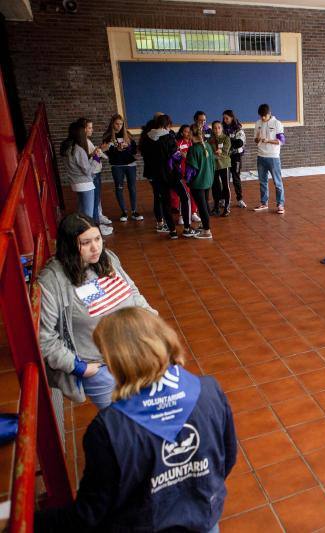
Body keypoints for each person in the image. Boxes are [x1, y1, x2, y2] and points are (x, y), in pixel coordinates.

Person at [35, 307, 237, 532]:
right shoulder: (210, 391)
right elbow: (227, 459)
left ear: (115, 362)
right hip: (203, 521)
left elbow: (88, 515)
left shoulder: (108, 429)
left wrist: (25, 521)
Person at [37, 213, 156, 409]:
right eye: (85, 243)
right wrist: (79, 368)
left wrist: (150, 317)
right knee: (122, 423)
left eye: (98, 239)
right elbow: (45, 337)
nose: (96, 248)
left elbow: (132, 291)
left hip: (136, 352)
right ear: (69, 245)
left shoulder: (107, 259)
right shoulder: (53, 281)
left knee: (149, 409)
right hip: (100, 368)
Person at [148, 114, 192, 239]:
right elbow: (176, 156)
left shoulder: (148, 138)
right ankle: (187, 228)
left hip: (158, 175)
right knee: (185, 197)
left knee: (165, 202)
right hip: (172, 173)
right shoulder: (168, 137)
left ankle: (172, 231)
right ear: (167, 125)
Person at [60, 121, 107, 234]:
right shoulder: (78, 149)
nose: (87, 131)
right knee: (88, 215)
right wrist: (96, 158)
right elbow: (88, 171)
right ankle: (87, 235)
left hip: (75, 183)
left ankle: (81, 233)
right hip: (85, 184)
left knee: (81, 211)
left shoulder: (67, 148)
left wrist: (91, 156)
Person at [102, 114, 142, 223]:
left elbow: (134, 150)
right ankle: (124, 211)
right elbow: (106, 152)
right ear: (112, 124)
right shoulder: (107, 136)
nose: (119, 126)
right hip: (116, 165)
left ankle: (134, 211)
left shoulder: (127, 134)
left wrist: (127, 147)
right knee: (119, 188)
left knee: (132, 187)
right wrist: (116, 150)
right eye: (117, 124)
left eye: (121, 124)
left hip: (130, 165)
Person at [253, 103, 286, 214]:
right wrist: (258, 138)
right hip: (261, 156)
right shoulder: (258, 123)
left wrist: (268, 140)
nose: (262, 118)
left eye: (264, 116)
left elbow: (281, 141)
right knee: (262, 182)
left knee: (277, 182)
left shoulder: (277, 123)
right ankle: (264, 203)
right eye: (260, 116)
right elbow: (255, 140)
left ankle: (280, 204)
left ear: (269, 113)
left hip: (273, 157)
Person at [83, 118, 114, 232]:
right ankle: (96, 227)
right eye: (90, 128)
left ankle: (98, 219)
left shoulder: (87, 140)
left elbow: (91, 155)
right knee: (94, 202)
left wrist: (100, 150)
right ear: (84, 129)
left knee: (97, 199)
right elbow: (88, 159)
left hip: (95, 173)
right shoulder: (83, 143)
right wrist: (99, 151)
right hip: (93, 174)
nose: (92, 130)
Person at [139, 114, 168, 234]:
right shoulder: (156, 136)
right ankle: (160, 223)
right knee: (159, 197)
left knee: (158, 196)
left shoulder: (146, 135)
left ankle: (160, 221)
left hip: (151, 171)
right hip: (156, 171)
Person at [186, 124, 215, 239]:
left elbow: (191, 170)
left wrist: (188, 181)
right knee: (205, 204)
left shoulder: (193, 149)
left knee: (202, 206)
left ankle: (207, 231)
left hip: (198, 182)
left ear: (192, 135)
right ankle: (204, 225)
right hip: (208, 180)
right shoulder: (207, 146)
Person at [173, 124, 201, 225]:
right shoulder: (178, 143)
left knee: (194, 193)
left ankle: (193, 212)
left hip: (194, 172)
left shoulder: (193, 143)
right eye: (185, 131)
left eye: (189, 131)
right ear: (181, 133)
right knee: (185, 195)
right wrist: (182, 155)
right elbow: (175, 157)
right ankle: (182, 215)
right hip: (183, 173)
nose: (188, 133)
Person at [223, 109, 247, 208]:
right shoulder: (222, 128)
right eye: (223, 118)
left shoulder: (238, 129)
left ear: (232, 118)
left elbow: (239, 143)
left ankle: (240, 199)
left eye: (226, 118)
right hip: (225, 157)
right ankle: (224, 199)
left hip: (236, 157)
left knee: (236, 178)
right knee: (225, 179)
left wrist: (227, 143)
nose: (225, 120)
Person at [210, 120, 232, 217]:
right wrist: (215, 152)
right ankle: (216, 207)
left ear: (222, 128)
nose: (217, 129)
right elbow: (209, 152)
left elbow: (224, 151)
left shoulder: (226, 138)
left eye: (219, 127)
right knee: (215, 187)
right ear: (212, 129)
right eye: (215, 128)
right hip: (214, 165)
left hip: (224, 165)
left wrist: (217, 152)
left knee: (226, 186)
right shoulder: (210, 140)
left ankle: (227, 207)